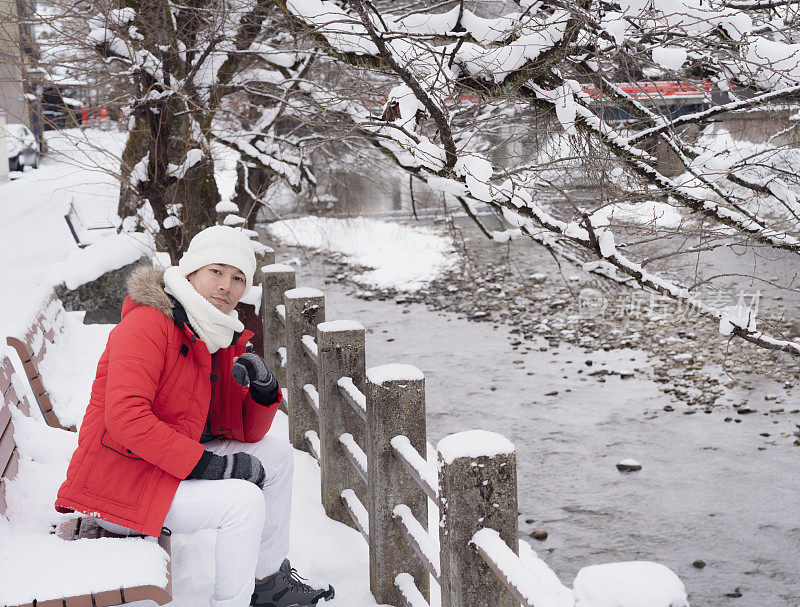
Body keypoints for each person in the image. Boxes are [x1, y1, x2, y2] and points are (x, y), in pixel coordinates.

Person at [54, 226, 334, 607]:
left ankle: (268, 583)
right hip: (119, 488)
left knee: (279, 457)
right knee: (242, 501)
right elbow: (125, 418)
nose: (226, 286)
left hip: (160, 469)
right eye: (216, 271)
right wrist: (209, 467)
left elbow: (243, 433)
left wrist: (265, 392)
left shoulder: (211, 332)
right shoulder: (147, 325)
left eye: (238, 278)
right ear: (190, 272)